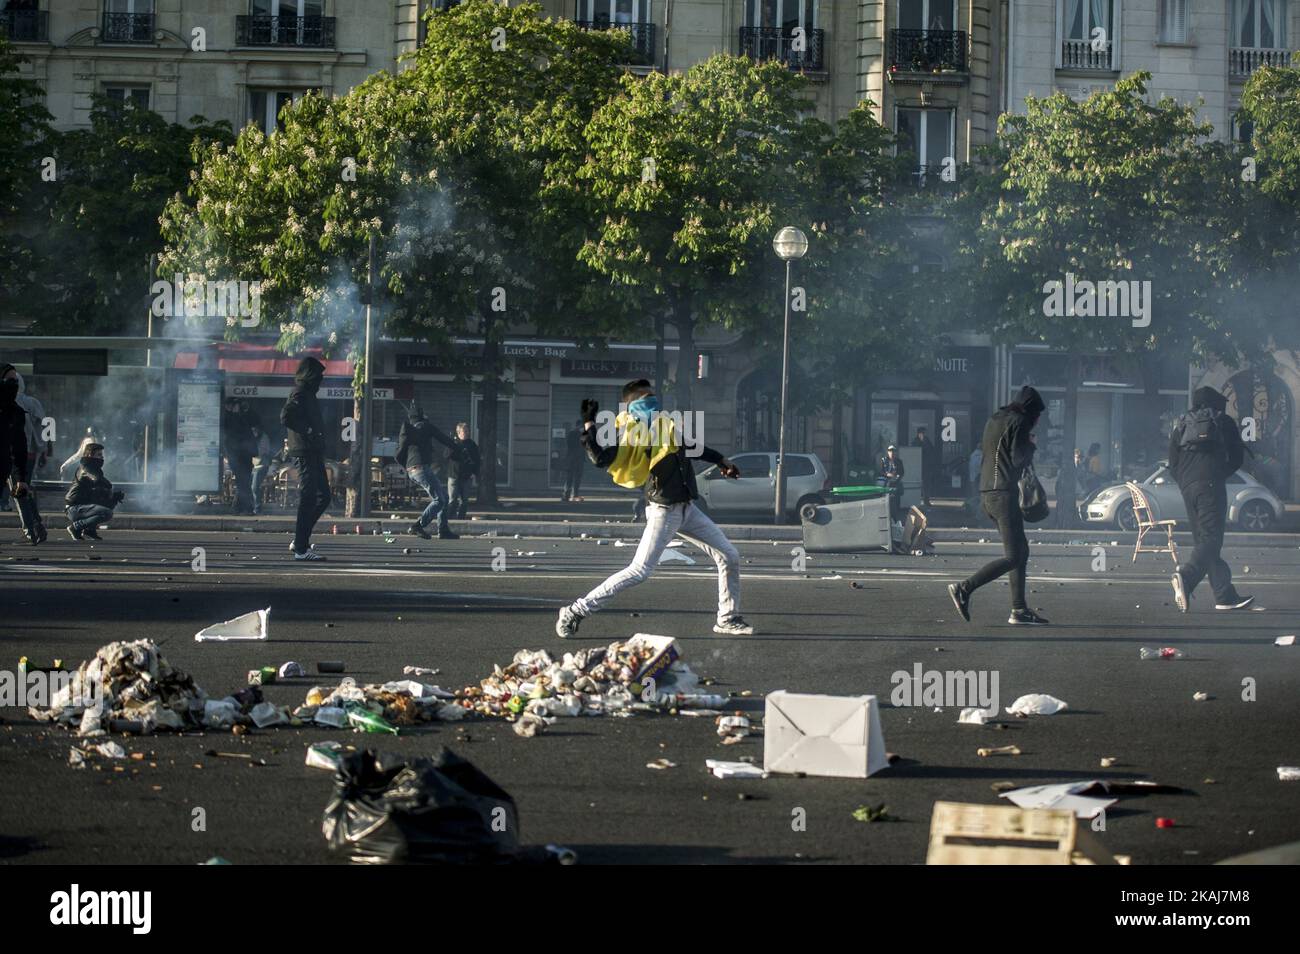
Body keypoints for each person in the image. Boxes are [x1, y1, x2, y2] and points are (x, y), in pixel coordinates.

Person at [556, 379, 753, 638]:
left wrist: (720, 460)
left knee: (729, 555)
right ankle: (575, 610)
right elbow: (600, 457)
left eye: (653, 397)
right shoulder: (629, 432)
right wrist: (589, 424)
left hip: (687, 508)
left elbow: (691, 446)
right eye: (646, 398)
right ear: (631, 405)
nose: (653, 402)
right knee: (639, 571)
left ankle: (727, 618)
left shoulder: (664, 428)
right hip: (663, 509)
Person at [948, 386, 1050, 626]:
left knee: (1021, 552)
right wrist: (1031, 445)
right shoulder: (1020, 422)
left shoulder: (995, 419)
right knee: (1014, 556)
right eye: (1037, 416)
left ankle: (1019, 610)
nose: (1037, 421)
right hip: (1004, 494)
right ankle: (965, 588)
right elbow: (1017, 459)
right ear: (1031, 411)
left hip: (987, 494)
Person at [1169, 386, 1253, 612]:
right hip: (1211, 484)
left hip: (1188, 487)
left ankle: (1224, 595)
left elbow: (1172, 463)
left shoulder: (1181, 423)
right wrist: (1218, 474)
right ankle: (1186, 577)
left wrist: (1186, 481)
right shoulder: (1223, 421)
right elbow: (1237, 458)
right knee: (1212, 539)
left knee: (1204, 540)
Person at [280, 357, 331, 560]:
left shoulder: (307, 393)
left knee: (323, 496)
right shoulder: (300, 392)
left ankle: (300, 540)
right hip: (304, 451)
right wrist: (308, 430)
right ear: (311, 376)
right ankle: (301, 548)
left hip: (313, 451)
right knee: (309, 497)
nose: (321, 380)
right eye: (319, 376)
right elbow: (286, 416)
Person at [396, 402, 459, 540]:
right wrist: (457, 447)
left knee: (444, 497)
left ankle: (443, 529)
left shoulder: (408, 430)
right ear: (421, 416)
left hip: (412, 469)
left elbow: (399, 452)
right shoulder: (425, 426)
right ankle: (418, 525)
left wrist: (407, 466)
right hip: (422, 469)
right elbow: (442, 437)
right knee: (439, 500)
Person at [1, 370, 48, 543]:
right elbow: (44, 427)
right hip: (30, 453)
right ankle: (37, 524)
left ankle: (30, 530)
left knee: (18, 492)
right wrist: (44, 450)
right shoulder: (32, 402)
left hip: (12, 454)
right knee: (24, 490)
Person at [64, 442, 123, 540]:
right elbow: (97, 479)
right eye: (99, 455)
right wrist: (108, 486)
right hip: (74, 508)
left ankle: (89, 530)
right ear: (90, 455)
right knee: (106, 513)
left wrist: (113, 497)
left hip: (82, 506)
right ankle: (75, 527)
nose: (102, 457)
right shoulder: (85, 468)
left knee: (109, 504)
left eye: (102, 455)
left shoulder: (94, 468)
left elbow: (98, 490)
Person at [1, 364, 34, 541]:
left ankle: (31, 529)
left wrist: (21, 477)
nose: (12, 384)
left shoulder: (18, 410)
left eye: (14, 381)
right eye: (9, 380)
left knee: (21, 493)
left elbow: (20, 444)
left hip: (8, 462)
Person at [222, 396, 255, 514]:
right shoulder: (228, 418)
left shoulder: (241, 417)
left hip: (243, 455)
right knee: (243, 482)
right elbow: (234, 432)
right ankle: (245, 508)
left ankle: (238, 507)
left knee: (243, 482)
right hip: (237, 455)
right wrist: (235, 414)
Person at [448, 422, 479, 519]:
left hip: (466, 476)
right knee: (452, 500)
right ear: (458, 433)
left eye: (467, 431)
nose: (466, 433)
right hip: (454, 475)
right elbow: (445, 456)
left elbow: (477, 460)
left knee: (464, 500)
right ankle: (449, 518)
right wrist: (452, 447)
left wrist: (474, 473)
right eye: (464, 431)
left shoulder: (472, 444)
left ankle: (460, 518)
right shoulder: (453, 443)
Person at [1054, 448, 1083, 530]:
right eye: (1077, 457)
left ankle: (1066, 526)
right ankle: (1060, 526)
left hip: (1070, 494)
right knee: (1061, 510)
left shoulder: (1078, 467)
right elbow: (1059, 483)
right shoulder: (1067, 468)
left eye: (1080, 458)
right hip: (1064, 494)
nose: (1078, 459)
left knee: (1069, 510)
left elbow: (1080, 478)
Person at [249, 425, 273, 516]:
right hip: (253, 465)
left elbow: (262, 452)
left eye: (254, 430)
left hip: (262, 465)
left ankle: (258, 507)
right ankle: (252, 507)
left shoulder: (263, 437)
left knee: (254, 487)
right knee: (250, 487)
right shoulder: (251, 437)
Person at [879, 444, 905, 522]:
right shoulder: (884, 460)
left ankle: (895, 518)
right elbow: (881, 471)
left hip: (895, 484)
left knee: (895, 501)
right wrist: (887, 474)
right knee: (886, 500)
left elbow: (902, 472)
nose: (892, 453)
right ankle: (886, 516)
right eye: (890, 451)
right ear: (888, 452)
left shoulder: (899, 461)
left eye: (893, 451)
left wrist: (897, 477)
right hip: (886, 484)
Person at [562, 419, 585, 503]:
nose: (583, 428)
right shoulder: (574, 434)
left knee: (574, 478)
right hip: (574, 459)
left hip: (576, 459)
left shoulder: (578, 434)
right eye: (582, 426)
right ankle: (569, 495)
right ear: (578, 426)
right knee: (572, 477)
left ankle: (571, 495)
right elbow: (573, 446)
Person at [913, 426, 936, 506]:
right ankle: (915, 500)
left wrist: (924, 442)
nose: (923, 435)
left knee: (927, 484)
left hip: (926, 466)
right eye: (922, 433)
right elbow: (914, 452)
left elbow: (931, 450)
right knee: (917, 483)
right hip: (918, 465)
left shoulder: (926, 440)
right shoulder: (915, 441)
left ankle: (926, 500)